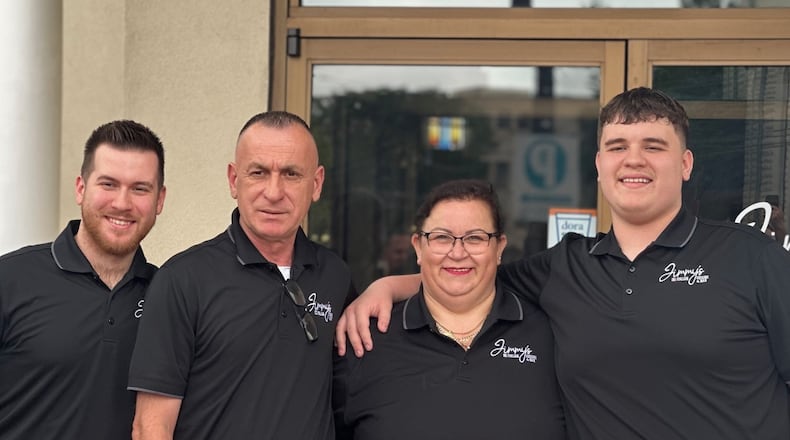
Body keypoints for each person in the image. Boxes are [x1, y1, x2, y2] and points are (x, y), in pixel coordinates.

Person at [337, 87, 790, 439]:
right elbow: (468, 273)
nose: (633, 159)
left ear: (686, 163)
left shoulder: (751, 258)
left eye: (654, 146)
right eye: (617, 146)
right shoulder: (565, 266)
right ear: (598, 163)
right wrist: (390, 286)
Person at [128, 111, 355, 439]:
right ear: (234, 180)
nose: (274, 192)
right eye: (258, 172)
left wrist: (391, 287)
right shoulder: (183, 280)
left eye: (291, 174)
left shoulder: (336, 276)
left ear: (316, 184)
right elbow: (151, 427)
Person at [333, 179, 565, 439]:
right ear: (418, 247)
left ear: (499, 248)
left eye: (475, 238)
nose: (457, 252)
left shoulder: (552, 339)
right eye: (442, 237)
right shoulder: (365, 342)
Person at [0, 120, 167, 439]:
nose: (122, 203)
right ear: (81, 188)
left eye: (139, 188)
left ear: (159, 200)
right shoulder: (10, 280)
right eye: (108, 184)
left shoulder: (168, 296)